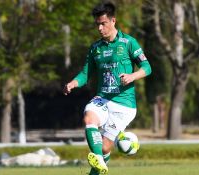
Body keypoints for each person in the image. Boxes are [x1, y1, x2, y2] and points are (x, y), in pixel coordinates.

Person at [63, 1, 152, 174]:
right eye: (97, 24)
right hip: (102, 98)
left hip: (124, 105)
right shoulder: (95, 48)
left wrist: (132, 76)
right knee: (89, 118)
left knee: (104, 148)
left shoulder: (128, 43)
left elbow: (147, 67)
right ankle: (99, 162)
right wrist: (73, 83)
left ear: (113, 21)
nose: (100, 28)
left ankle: (98, 165)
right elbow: (85, 74)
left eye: (103, 24)